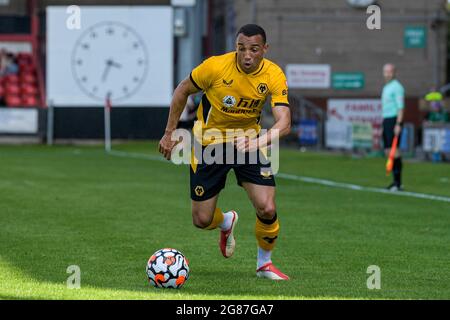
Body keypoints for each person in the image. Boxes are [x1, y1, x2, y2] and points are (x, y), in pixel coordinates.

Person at [158, 24, 291, 280]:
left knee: (266, 207)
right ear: (236, 47)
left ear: (265, 49)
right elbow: (182, 89)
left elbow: (284, 121)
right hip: (209, 143)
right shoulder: (215, 67)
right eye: (241, 48)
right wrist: (169, 132)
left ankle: (264, 264)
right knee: (201, 219)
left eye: (254, 49)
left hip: (247, 143)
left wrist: (260, 141)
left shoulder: (273, 74)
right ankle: (226, 222)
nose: (247, 55)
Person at [381, 63, 405, 191]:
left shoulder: (397, 87)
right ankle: (395, 181)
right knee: (387, 151)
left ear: (394, 72)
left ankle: (398, 182)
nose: (387, 74)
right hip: (386, 120)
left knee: (394, 150)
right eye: (385, 71)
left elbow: (400, 107)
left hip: (394, 120)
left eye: (389, 71)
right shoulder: (386, 87)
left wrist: (398, 124)